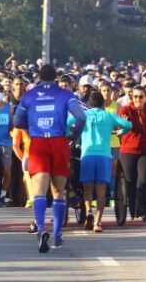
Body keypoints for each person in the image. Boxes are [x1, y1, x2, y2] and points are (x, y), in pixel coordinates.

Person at [13, 64, 86, 252]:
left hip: (38, 142)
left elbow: (17, 121)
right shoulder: (65, 94)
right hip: (59, 141)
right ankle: (57, 236)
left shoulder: (29, 96)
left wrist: (32, 125)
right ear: (55, 77)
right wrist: (74, 136)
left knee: (38, 191)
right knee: (58, 192)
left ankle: (40, 229)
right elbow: (81, 117)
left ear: (39, 77)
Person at [69, 91, 132, 232]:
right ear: (103, 103)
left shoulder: (84, 115)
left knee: (88, 188)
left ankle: (88, 212)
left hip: (87, 155)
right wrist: (121, 132)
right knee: (101, 190)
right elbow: (128, 124)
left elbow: (68, 123)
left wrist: (71, 133)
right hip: (104, 155)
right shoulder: (109, 115)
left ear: (89, 104)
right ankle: (97, 222)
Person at [119, 85, 146, 222]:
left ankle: (143, 212)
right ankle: (132, 211)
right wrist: (123, 125)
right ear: (131, 97)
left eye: (141, 97)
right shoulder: (125, 109)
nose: (138, 99)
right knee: (130, 182)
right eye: (135, 96)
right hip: (128, 150)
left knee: (143, 181)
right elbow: (120, 127)